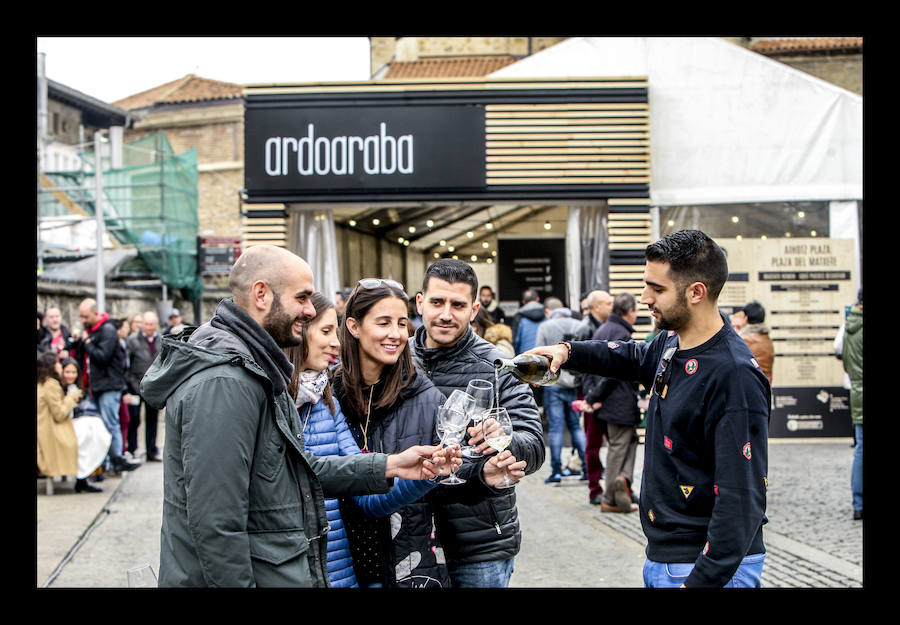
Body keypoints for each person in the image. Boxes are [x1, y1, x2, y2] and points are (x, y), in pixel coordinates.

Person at [139, 244, 458, 587]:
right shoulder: (225, 381)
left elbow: (300, 470)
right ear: (261, 294)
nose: (310, 310)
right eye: (302, 297)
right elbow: (216, 524)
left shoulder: (255, 370)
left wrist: (392, 465)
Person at [527, 230, 770, 588]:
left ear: (696, 293)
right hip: (668, 559)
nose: (644, 298)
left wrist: (701, 580)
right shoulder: (672, 341)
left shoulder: (733, 375)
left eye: (657, 289)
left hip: (705, 569)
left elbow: (742, 497)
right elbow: (633, 356)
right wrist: (567, 352)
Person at [285, 291, 463, 588]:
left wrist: (422, 475)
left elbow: (366, 495)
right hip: (288, 568)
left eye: (402, 324)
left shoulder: (325, 403)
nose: (335, 341)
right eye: (327, 331)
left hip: (340, 572)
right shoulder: (271, 398)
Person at [332, 280, 483, 588]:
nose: (396, 334)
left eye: (402, 323)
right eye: (383, 322)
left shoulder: (425, 397)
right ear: (353, 326)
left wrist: (483, 471)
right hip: (340, 562)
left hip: (406, 564)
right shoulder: (328, 395)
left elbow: (456, 479)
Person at [411, 258, 542, 588]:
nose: (445, 314)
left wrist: (508, 441)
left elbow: (534, 442)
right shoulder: (396, 360)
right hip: (408, 538)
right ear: (420, 302)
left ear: (474, 309)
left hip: (479, 545)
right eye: (437, 301)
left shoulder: (498, 367)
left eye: (458, 304)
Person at [576, 292, 643, 511]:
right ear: (630, 311)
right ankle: (611, 497)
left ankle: (621, 487)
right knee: (618, 446)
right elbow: (612, 374)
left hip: (608, 401)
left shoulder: (603, 329)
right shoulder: (621, 333)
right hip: (617, 402)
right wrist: (594, 397)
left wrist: (593, 397)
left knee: (624, 444)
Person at [70, 299, 139, 474]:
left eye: (85, 316)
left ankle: (116, 462)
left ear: (95, 313)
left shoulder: (107, 330)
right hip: (96, 386)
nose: (82, 319)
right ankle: (106, 462)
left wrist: (87, 343)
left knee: (110, 424)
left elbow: (103, 356)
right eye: (81, 316)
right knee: (98, 426)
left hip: (109, 385)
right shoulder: (92, 331)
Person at [534, 297, 590, 484]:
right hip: (574, 383)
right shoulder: (579, 325)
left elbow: (539, 356)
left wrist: (538, 380)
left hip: (554, 384)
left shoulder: (545, 327)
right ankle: (587, 469)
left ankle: (556, 471)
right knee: (576, 426)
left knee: (556, 428)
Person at [38, 351, 111, 493]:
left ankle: (86, 475)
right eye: (58, 363)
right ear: (51, 366)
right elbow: (59, 414)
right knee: (94, 428)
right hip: (52, 433)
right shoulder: (51, 384)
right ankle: (84, 476)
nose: (59, 365)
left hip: (48, 430)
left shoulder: (42, 383)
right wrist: (71, 398)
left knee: (93, 425)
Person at [125, 311, 162, 461]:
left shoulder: (161, 340)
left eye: (151, 324)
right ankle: (132, 449)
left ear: (156, 325)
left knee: (152, 420)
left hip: (153, 387)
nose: (148, 327)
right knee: (134, 419)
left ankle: (151, 451)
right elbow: (126, 365)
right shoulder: (132, 341)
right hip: (135, 385)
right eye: (146, 324)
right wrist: (132, 384)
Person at [842, 289, 863, 520]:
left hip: (857, 390)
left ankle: (858, 503)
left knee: (861, 449)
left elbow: (846, 362)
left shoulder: (850, 327)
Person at [736, 301, 775, 386]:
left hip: (749, 387)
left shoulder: (743, 340)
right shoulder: (767, 339)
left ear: (746, 318)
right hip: (765, 386)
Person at [510, 288, 546, 354]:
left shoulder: (519, 316)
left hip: (526, 356)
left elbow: (515, 340)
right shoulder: (547, 313)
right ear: (538, 299)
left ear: (523, 302)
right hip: (545, 354)